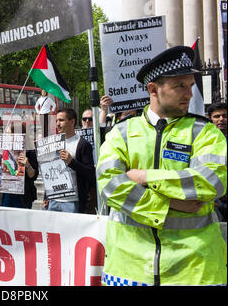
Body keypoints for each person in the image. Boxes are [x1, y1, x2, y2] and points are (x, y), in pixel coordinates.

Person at [97, 46, 227, 286]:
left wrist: (145, 176)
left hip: (195, 270)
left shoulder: (206, 132)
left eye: (190, 85)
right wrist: (168, 205)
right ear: (153, 89)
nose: (189, 93)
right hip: (129, 270)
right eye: (180, 86)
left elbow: (211, 181)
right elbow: (109, 184)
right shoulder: (121, 133)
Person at [44, 108, 94, 213]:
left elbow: (90, 172)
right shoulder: (53, 143)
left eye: (61, 120)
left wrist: (71, 162)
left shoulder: (83, 144)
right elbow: (49, 172)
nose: (57, 124)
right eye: (56, 120)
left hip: (72, 202)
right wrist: (46, 195)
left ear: (72, 122)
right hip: (53, 199)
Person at [0, 122, 39, 209]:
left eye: (8, 134)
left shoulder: (29, 151)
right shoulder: (2, 150)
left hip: (23, 197)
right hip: (6, 194)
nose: (6, 136)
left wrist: (27, 165)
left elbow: (33, 176)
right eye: (6, 134)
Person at [207, 102, 227, 222]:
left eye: (225, 116)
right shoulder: (204, 141)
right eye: (217, 116)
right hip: (214, 197)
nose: (221, 119)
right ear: (210, 119)